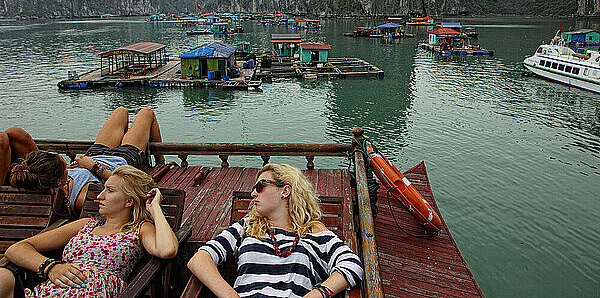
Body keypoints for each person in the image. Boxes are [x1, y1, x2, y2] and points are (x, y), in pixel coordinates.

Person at [187, 163, 363, 298]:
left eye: (260, 186)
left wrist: (316, 294)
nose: (253, 193)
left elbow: (352, 265)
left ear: (285, 191)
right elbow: (199, 259)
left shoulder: (313, 231)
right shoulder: (247, 226)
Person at [0, 165, 178, 298]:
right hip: (50, 290)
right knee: (3, 276)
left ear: (129, 201)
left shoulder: (139, 229)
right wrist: (50, 267)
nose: (99, 196)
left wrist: (155, 208)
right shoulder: (85, 224)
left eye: (109, 190)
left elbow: (167, 249)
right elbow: (16, 249)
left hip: (93, 292)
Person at [5, 107, 166, 214]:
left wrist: (84, 164)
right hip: (122, 160)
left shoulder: (45, 177)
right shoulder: (83, 197)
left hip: (95, 154)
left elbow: (16, 134)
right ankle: (162, 162)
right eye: (63, 164)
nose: (64, 161)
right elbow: (126, 187)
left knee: (121, 111)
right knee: (146, 113)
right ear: (60, 179)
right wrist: (94, 167)